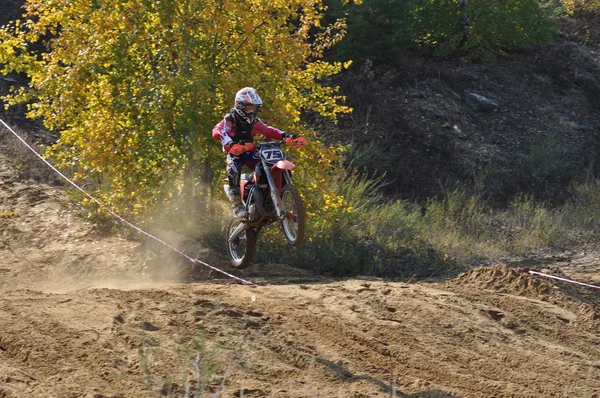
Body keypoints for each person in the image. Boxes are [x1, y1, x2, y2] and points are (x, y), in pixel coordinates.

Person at [212, 87, 296, 218]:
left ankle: (273, 197)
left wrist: (286, 136)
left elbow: (269, 131)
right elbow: (218, 131)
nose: (252, 111)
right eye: (249, 107)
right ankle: (237, 204)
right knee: (233, 169)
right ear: (240, 105)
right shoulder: (230, 120)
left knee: (268, 164)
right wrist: (228, 142)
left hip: (250, 151)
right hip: (236, 152)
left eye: (255, 107)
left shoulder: (255, 123)